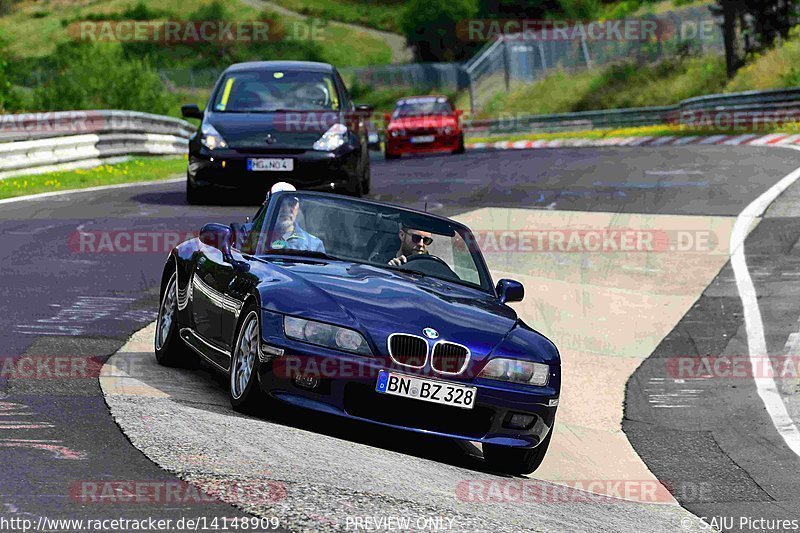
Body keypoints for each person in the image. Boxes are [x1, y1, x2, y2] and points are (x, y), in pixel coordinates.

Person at [268, 182, 326, 253]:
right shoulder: (256, 238)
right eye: (280, 203)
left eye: (291, 203)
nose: (286, 209)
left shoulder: (314, 245)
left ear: (297, 207)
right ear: (269, 207)